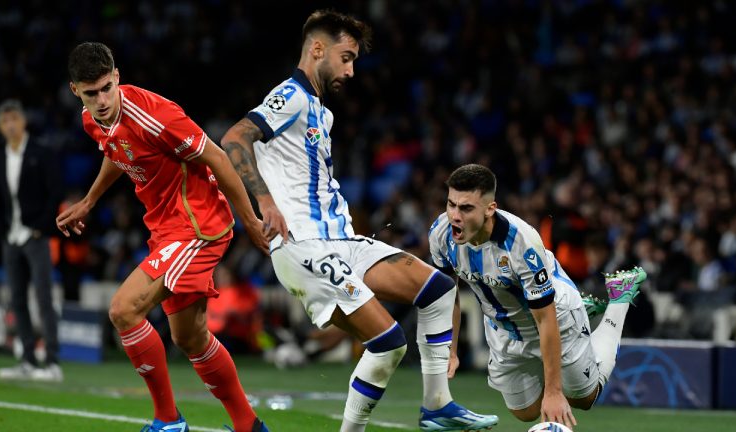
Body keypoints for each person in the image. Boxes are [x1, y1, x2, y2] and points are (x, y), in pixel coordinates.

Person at [221, 10, 499, 432]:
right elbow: (235, 138)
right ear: (317, 49)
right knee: (388, 344)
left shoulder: (321, 113)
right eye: (345, 57)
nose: (351, 70)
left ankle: (437, 406)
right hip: (304, 244)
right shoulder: (290, 96)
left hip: (342, 242)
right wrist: (264, 203)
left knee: (440, 292)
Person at [57, 42, 270, 432]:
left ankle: (168, 422)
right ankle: (249, 426)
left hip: (198, 225)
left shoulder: (157, 116)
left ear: (117, 76)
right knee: (190, 338)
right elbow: (117, 150)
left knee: (123, 309)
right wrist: (89, 200)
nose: (102, 100)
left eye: (107, 88)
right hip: (166, 228)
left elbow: (218, 158)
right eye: (91, 94)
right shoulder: (93, 121)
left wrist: (252, 221)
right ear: (75, 91)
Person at [429, 164, 646, 429]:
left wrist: (554, 392)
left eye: (466, 208)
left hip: (552, 313)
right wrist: (450, 349)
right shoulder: (441, 234)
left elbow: (545, 318)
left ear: (490, 209)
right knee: (526, 412)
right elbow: (445, 293)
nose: (455, 216)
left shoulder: (521, 244)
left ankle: (618, 300)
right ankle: (585, 316)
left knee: (584, 398)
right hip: (504, 327)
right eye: (451, 204)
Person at [0, 99, 64, 382]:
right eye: (5, 121)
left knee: (44, 298)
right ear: (0, 126)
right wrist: (3, 230)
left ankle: (51, 362)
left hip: (35, 236)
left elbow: (55, 191)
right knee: (18, 299)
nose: (10, 125)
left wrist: (40, 228)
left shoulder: (41, 152)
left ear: (23, 121)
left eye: (14, 119)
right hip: (10, 238)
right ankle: (27, 360)